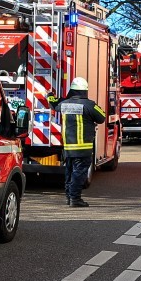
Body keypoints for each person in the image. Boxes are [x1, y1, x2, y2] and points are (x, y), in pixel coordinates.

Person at [51, 77, 107, 207]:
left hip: (69, 147)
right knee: (79, 173)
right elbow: (102, 117)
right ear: (85, 91)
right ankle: (75, 199)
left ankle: (69, 197)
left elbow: (53, 104)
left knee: (70, 172)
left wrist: (50, 95)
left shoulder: (64, 104)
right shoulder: (90, 105)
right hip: (83, 148)